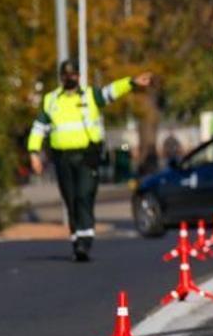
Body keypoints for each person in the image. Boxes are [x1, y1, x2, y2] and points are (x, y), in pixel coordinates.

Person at [28, 61, 153, 261]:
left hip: (87, 156)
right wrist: (34, 153)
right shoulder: (51, 100)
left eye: (74, 75)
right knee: (71, 200)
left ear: (79, 76)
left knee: (84, 196)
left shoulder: (90, 96)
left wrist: (131, 82)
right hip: (62, 158)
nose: (70, 79)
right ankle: (77, 239)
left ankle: (85, 242)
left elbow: (110, 92)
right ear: (61, 77)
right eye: (67, 75)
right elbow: (39, 127)